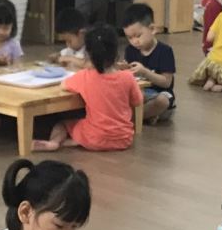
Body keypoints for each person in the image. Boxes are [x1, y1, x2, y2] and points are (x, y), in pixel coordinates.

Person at [36, 23, 142, 151]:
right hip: (124, 139)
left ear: (88, 54)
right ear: (116, 52)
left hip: (95, 138)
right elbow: (137, 101)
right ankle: (74, 141)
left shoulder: (85, 76)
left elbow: (64, 85)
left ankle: (54, 142)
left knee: (63, 124)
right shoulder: (128, 77)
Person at [121, 3, 176, 123]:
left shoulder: (165, 51)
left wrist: (145, 72)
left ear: (152, 29)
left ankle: (132, 118)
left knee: (162, 101)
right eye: (129, 38)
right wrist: (124, 70)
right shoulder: (130, 50)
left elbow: (166, 82)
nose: (134, 41)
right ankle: (146, 116)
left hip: (159, 94)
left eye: (138, 36)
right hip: (140, 94)